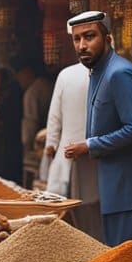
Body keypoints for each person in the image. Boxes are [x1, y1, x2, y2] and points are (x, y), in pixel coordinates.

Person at [63, 11, 132, 251]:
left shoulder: (120, 73)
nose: (82, 45)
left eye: (89, 36)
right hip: (118, 191)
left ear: (108, 38)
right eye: (76, 39)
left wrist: (90, 145)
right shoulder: (99, 71)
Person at [41, 60, 103, 239]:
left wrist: (51, 145)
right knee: (94, 215)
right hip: (96, 154)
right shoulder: (109, 74)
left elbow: (54, 117)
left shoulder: (66, 75)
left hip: (68, 153)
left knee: (68, 212)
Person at [15, 58, 53, 156]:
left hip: (40, 142)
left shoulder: (31, 93)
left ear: (27, 72)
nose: (19, 81)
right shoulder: (47, 84)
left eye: (19, 76)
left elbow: (30, 123)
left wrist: (26, 147)